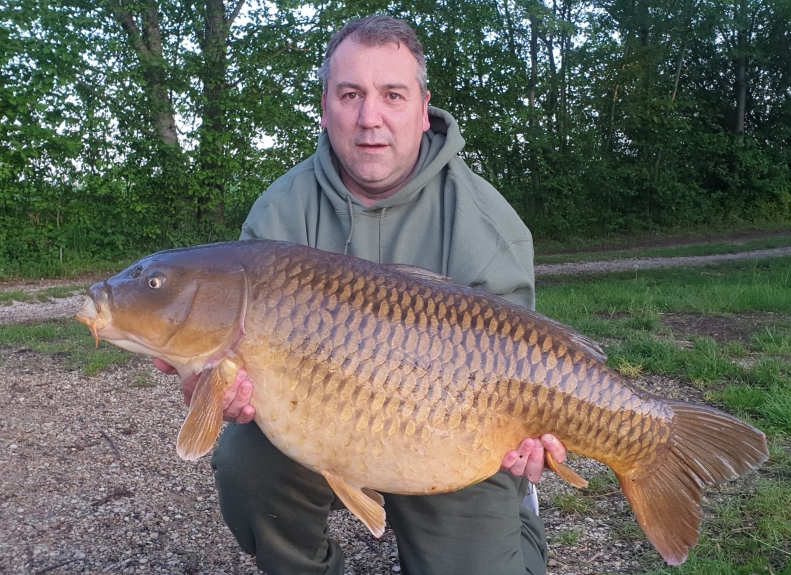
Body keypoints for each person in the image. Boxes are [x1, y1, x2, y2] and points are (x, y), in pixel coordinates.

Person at [156, 15, 566, 575]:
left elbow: (526, 365)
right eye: (350, 94)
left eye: (392, 95)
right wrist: (208, 385)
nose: (369, 118)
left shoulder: (489, 226)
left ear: (423, 110)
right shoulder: (280, 213)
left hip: (450, 436)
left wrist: (534, 435)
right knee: (245, 458)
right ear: (325, 108)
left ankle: (520, 526)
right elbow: (223, 372)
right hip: (321, 422)